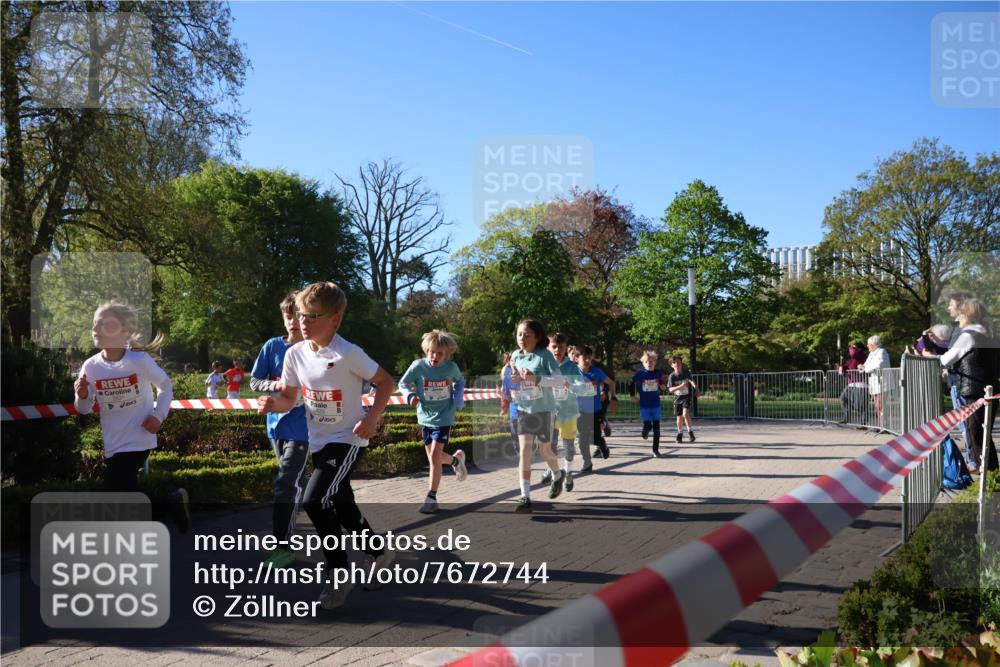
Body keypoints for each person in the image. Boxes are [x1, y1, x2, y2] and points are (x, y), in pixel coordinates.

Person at [257, 282, 395, 610]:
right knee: (343, 506)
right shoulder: (294, 354)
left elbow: (385, 381)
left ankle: (338, 575)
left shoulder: (348, 353)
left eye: (313, 317)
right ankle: (380, 551)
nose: (303, 323)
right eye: (302, 315)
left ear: (335, 320)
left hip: (348, 438)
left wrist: (372, 418)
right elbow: (290, 399)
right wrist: (271, 404)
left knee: (315, 500)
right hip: (318, 440)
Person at [73, 302, 188, 528]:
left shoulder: (138, 361)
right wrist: (83, 394)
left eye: (106, 324)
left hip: (140, 436)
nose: (97, 329)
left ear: (124, 331)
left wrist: (159, 416)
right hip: (113, 441)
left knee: (115, 493)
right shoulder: (91, 366)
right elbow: (83, 409)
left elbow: (165, 385)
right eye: (95, 324)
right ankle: (171, 504)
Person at [250, 291, 310, 568]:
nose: (294, 322)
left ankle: (283, 547)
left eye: (299, 316)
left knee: (285, 485)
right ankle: (326, 503)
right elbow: (254, 381)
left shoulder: (315, 349)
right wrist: (276, 386)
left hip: (306, 427)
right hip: (276, 425)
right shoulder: (272, 347)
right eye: (289, 316)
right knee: (297, 484)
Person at [924, 298, 998, 473]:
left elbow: (946, 359)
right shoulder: (988, 334)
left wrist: (928, 355)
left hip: (973, 390)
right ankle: (993, 474)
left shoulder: (968, 335)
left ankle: (988, 476)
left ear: (967, 315)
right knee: (983, 434)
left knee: (975, 435)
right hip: (989, 388)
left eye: (961, 314)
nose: (959, 317)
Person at [399, 330, 469, 514]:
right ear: (426, 350)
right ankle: (456, 460)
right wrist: (410, 396)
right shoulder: (417, 366)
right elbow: (403, 384)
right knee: (434, 458)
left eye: (440, 353)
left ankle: (431, 497)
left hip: (444, 417)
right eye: (432, 352)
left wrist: (458, 398)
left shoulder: (451, 368)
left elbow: (460, 381)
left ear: (446, 354)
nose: (435, 356)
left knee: (433, 458)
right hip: (425, 417)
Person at [510, 319, 566, 513]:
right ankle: (525, 496)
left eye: (527, 335)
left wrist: (536, 379)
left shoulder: (544, 356)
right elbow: (517, 380)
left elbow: (560, 381)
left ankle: (557, 475)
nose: (522, 338)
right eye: (519, 334)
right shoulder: (516, 356)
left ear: (537, 337)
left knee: (544, 452)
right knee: (525, 450)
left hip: (544, 410)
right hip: (525, 408)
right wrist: (517, 379)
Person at [541, 333, 586, 490]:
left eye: (561, 347)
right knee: (549, 445)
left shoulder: (572, 367)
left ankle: (568, 472)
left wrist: (571, 385)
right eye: (554, 346)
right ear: (548, 347)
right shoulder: (545, 365)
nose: (557, 350)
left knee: (568, 445)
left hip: (568, 412)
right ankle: (551, 469)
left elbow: (582, 387)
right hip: (550, 411)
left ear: (566, 348)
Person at [576, 345, 618, 462]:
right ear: (576, 358)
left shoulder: (597, 371)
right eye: (585, 358)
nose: (588, 361)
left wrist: (613, 397)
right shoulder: (573, 372)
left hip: (595, 410)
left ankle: (602, 443)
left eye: (590, 358)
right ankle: (587, 462)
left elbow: (611, 383)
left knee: (595, 436)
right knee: (583, 437)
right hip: (580, 410)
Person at [631, 351, 666, 456]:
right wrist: (633, 395)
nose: (649, 363)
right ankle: (645, 431)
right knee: (647, 425)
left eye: (651, 361)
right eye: (646, 362)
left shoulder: (658, 373)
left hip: (656, 405)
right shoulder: (640, 374)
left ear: (655, 362)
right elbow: (631, 383)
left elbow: (661, 383)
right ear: (643, 363)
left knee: (657, 428)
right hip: (644, 405)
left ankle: (655, 450)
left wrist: (663, 386)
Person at [666, 355, 698, 442]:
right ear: (671, 365)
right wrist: (681, 386)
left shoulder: (686, 373)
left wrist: (697, 389)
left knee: (685, 414)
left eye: (678, 362)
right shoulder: (672, 376)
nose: (677, 364)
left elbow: (692, 381)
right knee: (679, 417)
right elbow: (670, 389)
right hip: (677, 398)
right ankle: (680, 433)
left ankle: (690, 433)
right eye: (674, 362)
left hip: (686, 397)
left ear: (681, 363)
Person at [860, 335, 890, 426]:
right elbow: (865, 366)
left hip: (882, 383)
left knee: (880, 405)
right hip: (875, 384)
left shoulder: (882, 351)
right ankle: (881, 425)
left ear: (874, 344)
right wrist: (861, 367)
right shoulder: (871, 354)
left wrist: (866, 368)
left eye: (869, 344)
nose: (867, 346)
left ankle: (883, 425)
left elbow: (879, 364)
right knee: (877, 405)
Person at [838, 343, 868, 424]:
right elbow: (847, 365)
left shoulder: (861, 356)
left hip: (860, 384)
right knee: (843, 398)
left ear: (859, 349)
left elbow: (853, 352)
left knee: (860, 404)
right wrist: (842, 367)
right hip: (851, 384)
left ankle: (863, 423)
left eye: (854, 347)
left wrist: (852, 347)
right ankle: (847, 418)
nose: (851, 348)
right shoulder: (852, 359)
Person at [498, 352, 520, 459]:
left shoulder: (525, 372)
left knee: (526, 432)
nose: (513, 364)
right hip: (514, 409)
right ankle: (520, 453)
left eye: (516, 361)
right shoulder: (507, 373)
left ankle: (526, 453)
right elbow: (507, 396)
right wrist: (500, 393)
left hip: (527, 409)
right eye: (512, 361)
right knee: (514, 433)